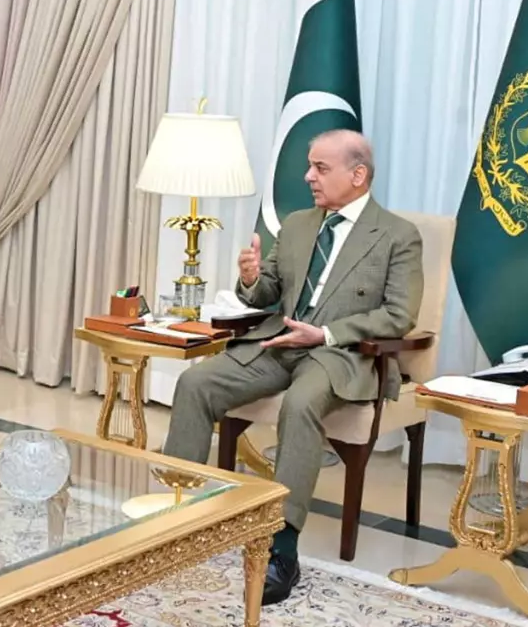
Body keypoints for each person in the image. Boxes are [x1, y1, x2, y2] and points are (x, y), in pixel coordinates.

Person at [161, 129, 423, 605]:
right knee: (196, 382)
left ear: (357, 174)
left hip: (339, 354)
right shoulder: (299, 224)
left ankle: (282, 548)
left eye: (321, 168)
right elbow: (268, 294)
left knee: (302, 404)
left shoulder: (398, 236)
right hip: (278, 344)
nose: (308, 176)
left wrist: (324, 334)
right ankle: (179, 519)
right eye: (310, 166)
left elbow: (398, 315)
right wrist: (251, 278)